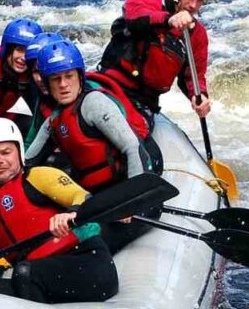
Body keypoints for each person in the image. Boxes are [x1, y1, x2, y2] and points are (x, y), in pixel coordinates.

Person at [0, 118, 119, 304]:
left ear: (19, 152)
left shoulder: (39, 177)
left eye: (6, 152)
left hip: (88, 264)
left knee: (25, 272)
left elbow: (81, 196)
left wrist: (72, 212)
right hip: (35, 278)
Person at [28, 40, 158, 253]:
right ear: (46, 84)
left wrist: (131, 202)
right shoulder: (54, 120)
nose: (63, 84)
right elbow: (28, 162)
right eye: (55, 79)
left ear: (79, 76)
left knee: (85, 245)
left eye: (69, 76)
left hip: (133, 198)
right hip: (97, 201)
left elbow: (132, 147)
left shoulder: (94, 103)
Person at [98, 0, 214, 126]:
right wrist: (168, 20)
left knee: (147, 148)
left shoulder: (197, 34)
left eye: (200, 0)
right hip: (111, 85)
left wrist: (199, 95)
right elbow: (134, 15)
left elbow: (193, 76)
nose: (193, 5)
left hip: (145, 102)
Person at [21, 32, 64, 148]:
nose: (40, 79)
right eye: (35, 72)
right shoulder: (42, 99)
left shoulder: (91, 93)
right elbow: (30, 142)